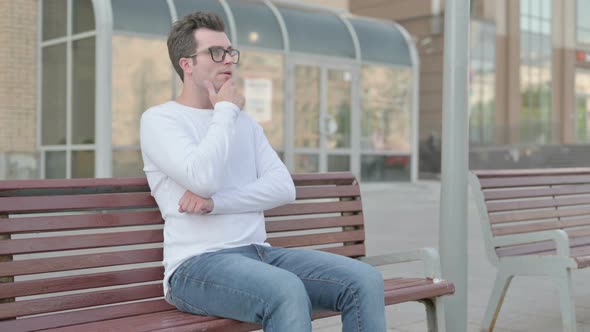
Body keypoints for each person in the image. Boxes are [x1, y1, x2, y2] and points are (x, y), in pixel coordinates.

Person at [139, 11, 386, 332]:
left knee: (364, 279)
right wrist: (225, 110)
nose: (228, 60)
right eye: (216, 53)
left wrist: (216, 204)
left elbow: (283, 187)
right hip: (196, 266)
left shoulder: (245, 124)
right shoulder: (161, 120)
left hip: (259, 255)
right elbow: (203, 178)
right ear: (187, 65)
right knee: (286, 290)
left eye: (230, 52)